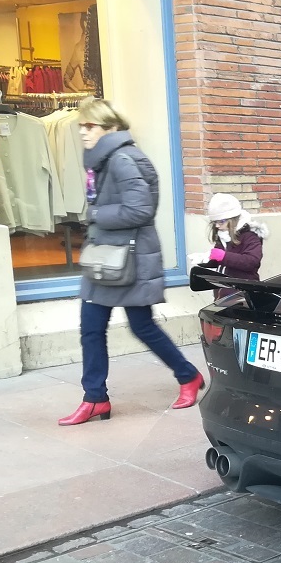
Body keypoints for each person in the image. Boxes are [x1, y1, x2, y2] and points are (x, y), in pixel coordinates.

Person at [58, 99, 204, 426]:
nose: (83, 132)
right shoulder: (102, 161)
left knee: (142, 326)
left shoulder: (122, 159)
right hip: (105, 259)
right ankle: (94, 398)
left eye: (90, 126)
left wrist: (95, 214)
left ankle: (187, 375)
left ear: (110, 128)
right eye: (81, 126)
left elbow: (140, 210)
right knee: (91, 329)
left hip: (128, 261)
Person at [189, 193, 269, 300]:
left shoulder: (250, 236)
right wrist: (205, 260)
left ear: (232, 219)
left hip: (243, 294)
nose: (217, 226)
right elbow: (221, 262)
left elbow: (251, 262)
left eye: (221, 221)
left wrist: (223, 256)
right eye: (215, 222)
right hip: (223, 292)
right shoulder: (223, 234)